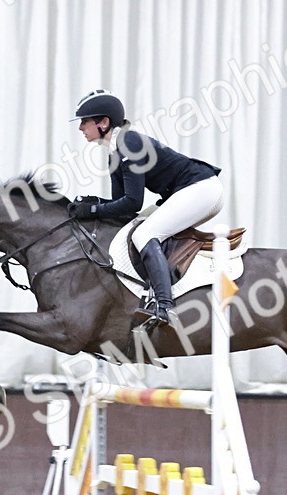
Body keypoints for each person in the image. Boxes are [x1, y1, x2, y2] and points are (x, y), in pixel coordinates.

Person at [68, 90, 224, 330]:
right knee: (137, 227)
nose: (80, 128)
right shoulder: (115, 151)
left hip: (201, 188)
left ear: (104, 123)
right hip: (194, 190)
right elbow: (123, 208)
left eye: (85, 121)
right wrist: (91, 203)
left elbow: (132, 202)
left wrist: (91, 211)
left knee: (145, 234)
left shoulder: (129, 143)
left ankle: (164, 306)